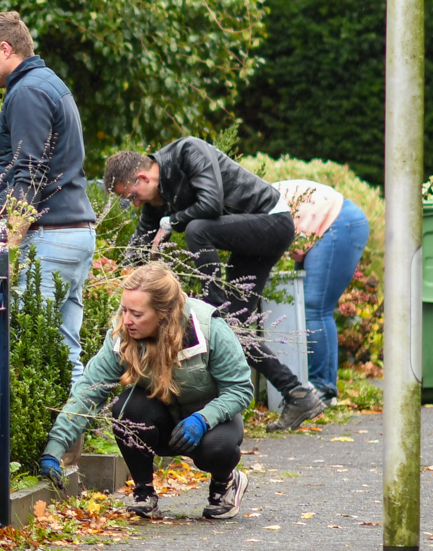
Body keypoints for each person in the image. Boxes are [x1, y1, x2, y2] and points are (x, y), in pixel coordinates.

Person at [103, 140, 327, 428]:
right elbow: (140, 246)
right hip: (250, 236)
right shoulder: (157, 199)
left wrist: (172, 222)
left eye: (132, 195)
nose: (135, 203)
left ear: (143, 178)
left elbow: (210, 202)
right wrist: (115, 273)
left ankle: (214, 304)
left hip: (271, 221)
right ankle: (298, 394)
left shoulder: (188, 152)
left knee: (198, 230)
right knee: (232, 327)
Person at [38, 261, 256, 520]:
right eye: (124, 310)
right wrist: (55, 449)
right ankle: (144, 493)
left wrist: (203, 418)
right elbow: (88, 392)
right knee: (126, 408)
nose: (126, 320)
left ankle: (225, 483)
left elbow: (240, 389)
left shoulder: (208, 329)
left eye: (137, 314)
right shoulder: (121, 336)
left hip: (210, 425)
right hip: (162, 424)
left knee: (217, 450)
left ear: (163, 313)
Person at [0, 11, 98, 383]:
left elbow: (30, 172)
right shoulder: (43, 84)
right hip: (73, 231)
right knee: (64, 349)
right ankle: (70, 439)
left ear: (5, 48)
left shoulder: (28, 92)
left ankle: (52, 441)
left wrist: (6, 244)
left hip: (50, 236)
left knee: (23, 343)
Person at [275, 178, 370, 403]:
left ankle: (322, 388)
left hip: (337, 223)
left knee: (314, 308)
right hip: (325, 225)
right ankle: (316, 385)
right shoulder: (242, 198)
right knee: (305, 308)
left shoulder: (244, 203)